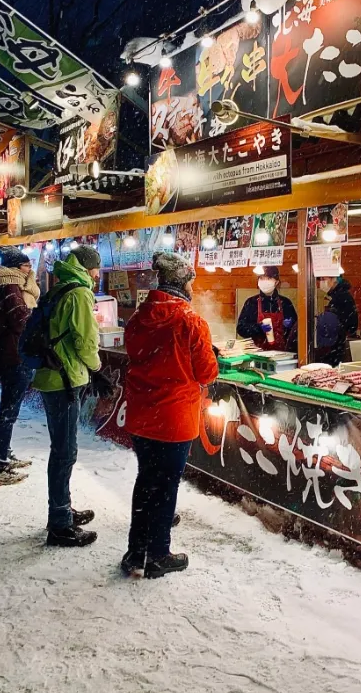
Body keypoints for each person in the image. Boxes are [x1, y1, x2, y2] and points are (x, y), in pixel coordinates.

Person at [122, 251, 219, 579]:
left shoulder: (138, 317)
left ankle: (136, 552)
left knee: (146, 481)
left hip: (141, 415)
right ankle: (159, 555)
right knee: (166, 487)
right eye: (191, 281)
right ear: (183, 283)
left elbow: (137, 355)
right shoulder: (190, 321)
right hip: (174, 418)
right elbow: (206, 373)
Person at [32, 245, 104, 547]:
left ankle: (62, 509)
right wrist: (97, 368)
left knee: (62, 449)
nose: (99, 275)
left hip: (53, 376)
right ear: (86, 267)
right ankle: (60, 523)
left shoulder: (59, 288)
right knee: (65, 452)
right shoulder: (79, 294)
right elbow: (86, 340)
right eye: (97, 269)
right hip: (63, 379)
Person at [0, 246, 41, 486]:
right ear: (17, 268)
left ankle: (4, 455)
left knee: (9, 410)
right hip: (15, 355)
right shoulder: (11, 287)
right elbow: (21, 320)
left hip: (11, 353)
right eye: (27, 265)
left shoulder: (7, 286)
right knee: (8, 412)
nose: (31, 269)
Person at [236, 266, 297, 351]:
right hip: (257, 354)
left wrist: (289, 326)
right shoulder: (251, 303)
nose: (265, 281)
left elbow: (297, 331)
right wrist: (258, 328)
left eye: (268, 278)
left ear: (276, 282)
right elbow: (241, 329)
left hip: (283, 354)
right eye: (261, 278)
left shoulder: (285, 303)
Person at [316, 275, 359, 365]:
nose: (321, 283)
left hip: (336, 348)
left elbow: (351, 325)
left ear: (334, 279)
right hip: (333, 346)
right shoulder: (336, 296)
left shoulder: (342, 297)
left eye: (324, 279)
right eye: (320, 279)